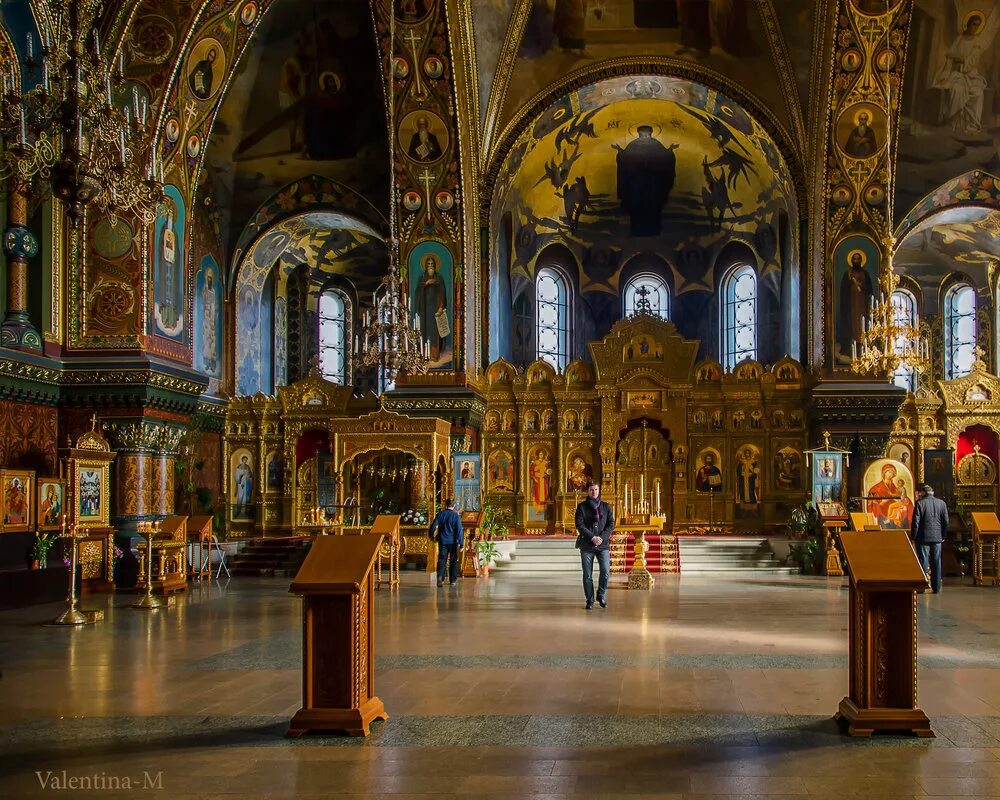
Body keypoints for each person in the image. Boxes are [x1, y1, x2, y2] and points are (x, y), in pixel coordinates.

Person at [574, 482, 614, 610]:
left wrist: (601, 538)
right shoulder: (581, 507)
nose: (594, 492)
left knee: (606, 572)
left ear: (599, 490)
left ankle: (601, 595)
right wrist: (592, 537)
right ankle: (589, 600)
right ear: (588, 491)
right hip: (587, 545)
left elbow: (611, 525)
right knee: (587, 575)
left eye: (596, 490)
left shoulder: (606, 507)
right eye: (592, 490)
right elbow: (580, 525)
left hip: (603, 545)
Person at [910, 483, 948, 593]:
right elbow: (946, 522)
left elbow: (915, 522)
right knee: (936, 561)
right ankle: (936, 587)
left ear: (923, 493)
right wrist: (943, 535)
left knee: (923, 560)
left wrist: (914, 536)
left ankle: (922, 587)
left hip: (923, 537)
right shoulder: (942, 503)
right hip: (937, 538)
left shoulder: (920, 504)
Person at [428, 498, 464, 587]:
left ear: (445, 505)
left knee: (442, 560)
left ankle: (440, 577)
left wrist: (431, 536)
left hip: (443, 541)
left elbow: (433, 526)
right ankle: (453, 580)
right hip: (453, 542)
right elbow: (459, 530)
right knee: (453, 560)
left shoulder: (441, 514)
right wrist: (461, 543)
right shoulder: (456, 516)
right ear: (454, 505)